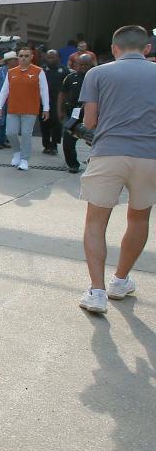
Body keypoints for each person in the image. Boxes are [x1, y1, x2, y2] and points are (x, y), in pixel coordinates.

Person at [77, 25, 155, 313]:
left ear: (114, 48)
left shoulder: (97, 73)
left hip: (108, 153)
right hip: (150, 156)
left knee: (96, 222)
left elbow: (90, 122)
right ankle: (120, 281)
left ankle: (97, 292)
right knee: (139, 219)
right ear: (147, 48)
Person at [0, 46, 50, 171]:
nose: (23, 58)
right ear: (18, 58)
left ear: (31, 57)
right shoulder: (11, 72)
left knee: (26, 134)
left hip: (30, 109)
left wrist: (46, 108)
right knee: (10, 132)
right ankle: (17, 152)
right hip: (13, 108)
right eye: (21, 56)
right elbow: (4, 91)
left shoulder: (38, 71)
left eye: (26, 56)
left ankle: (24, 159)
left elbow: (44, 91)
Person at [60, 52, 94, 173]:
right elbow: (62, 94)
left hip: (92, 116)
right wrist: (61, 111)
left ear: (92, 64)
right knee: (68, 141)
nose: (84, 67)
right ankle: (73, 165)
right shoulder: (70, 78)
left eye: (87, 65)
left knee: (94, 141)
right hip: (73, 115)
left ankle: (94, 165)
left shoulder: (97, 78)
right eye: (81, 64)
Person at [41, 49, 70, 155]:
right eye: (49, 57)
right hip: (44, 101)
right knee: (44, 123)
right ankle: (46, 145)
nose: (51, 59)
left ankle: (54, 145)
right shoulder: (42, 70)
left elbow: (67, 87)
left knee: (56, 123)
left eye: (53, 57)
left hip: (57, 102)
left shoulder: (64, 70)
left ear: (58, 58)